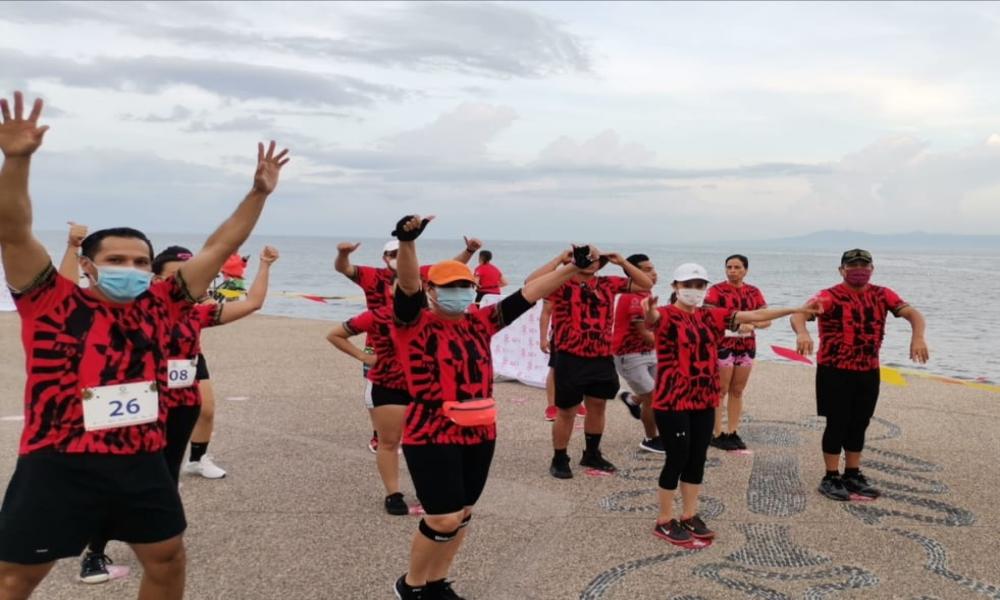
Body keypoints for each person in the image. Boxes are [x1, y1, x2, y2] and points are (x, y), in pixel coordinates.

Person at [0, 90, 290, 600]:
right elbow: (13, 230)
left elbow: (220, 246)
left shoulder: (165, 302)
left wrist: (258, 194)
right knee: (16, 576)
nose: (131, 269)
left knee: (168, 558)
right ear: (88, 266)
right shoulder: (50, 301)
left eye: (140, 261)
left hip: (140, 457)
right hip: (58, 459)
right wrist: (17, 162)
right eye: (116, 260)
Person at [389, 215, 586, 600]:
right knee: (442, 516)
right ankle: (409, 585)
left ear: (475, 288)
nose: (458, 292)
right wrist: (407, 243)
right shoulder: (413, 324)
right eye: (449, 287)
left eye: (465, 285)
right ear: (432, 291)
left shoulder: (481, 321)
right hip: (431, 431)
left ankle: (436, 583)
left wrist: (572, 268)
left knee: (462, 513)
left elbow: (528, 294)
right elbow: (408, 286)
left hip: (480, 430)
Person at [72, 245, 279, 583]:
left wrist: (266, 265)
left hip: (182, 407)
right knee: (120, 479)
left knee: (166, 479)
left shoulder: (196, 314)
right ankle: (94, 552)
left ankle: (156, 542)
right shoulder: (129, 312)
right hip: (138, 408)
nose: (188, 285)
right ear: (156, 279)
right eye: (176, 279)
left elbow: (253, 303)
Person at [643, 263, 819, 546]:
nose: (694, 290)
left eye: (700, 285)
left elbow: (757, 314)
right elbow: (651, 318)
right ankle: (664, 520)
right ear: (675, 286)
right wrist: (648, 309)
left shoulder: (711, 316)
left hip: (704, 398)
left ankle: (689, 514)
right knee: (677, 458)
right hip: (672, 400)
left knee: (697, 458)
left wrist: (795, 310)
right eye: (689, 284)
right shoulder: (665, 314)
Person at [790, 249, 928, 502]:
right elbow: (800, 313)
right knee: (837, 422)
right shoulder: (830, 296)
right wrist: (802, 332)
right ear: (841, 270)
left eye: (863, 265)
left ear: (872, 269)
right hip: (835, 369)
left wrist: (917, 336)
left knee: (860, 422)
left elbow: (913, 314)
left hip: (868, 369)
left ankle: (852, 473)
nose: (858, 269)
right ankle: (831, 476)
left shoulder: (882, 294)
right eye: (852, 265)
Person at [335, 235, 483, 453]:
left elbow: (452, 268)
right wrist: (343, 254)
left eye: (401, 253)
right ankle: (380, 434)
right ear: (385, 258)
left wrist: (469, 251)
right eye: (393, 254)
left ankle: (410, 432)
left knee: (418, 389)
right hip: (379, 345)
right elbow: (344, 268)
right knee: (375, 392)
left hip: (417, 344)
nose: (398, 258)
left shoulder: (421, 274)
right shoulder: (371, 275)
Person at [527, 246, 654, 479]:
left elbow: (645, 284)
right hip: (570, 356)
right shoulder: (560, 284)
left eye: (598, 259)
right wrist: (559, 259)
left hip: (601, 356)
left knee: (598, 406)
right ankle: (559, 457)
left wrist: (623, 262)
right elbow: (530, 284)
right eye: (588, 258)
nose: (593, 262)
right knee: (566, 411)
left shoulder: (608, 283)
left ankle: (592, 453)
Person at [326, 304, 415, 516]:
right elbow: (334, 335)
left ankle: (428, 488)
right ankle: (393, 494)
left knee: (425, 441)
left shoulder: (432, 316)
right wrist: (364, 357)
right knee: (389, 441)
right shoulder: (377, 316)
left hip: (424, 386)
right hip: (387, 385)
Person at [705, 254, 770, 451]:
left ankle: (732, 431)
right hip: (723, 345)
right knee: (720, 390)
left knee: (738, 390)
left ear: (745, 270)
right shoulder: (716, 290)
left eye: (737, 267)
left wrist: (752, 324)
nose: (732, 270)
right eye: (729, 267)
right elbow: (707, 317)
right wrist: (736, 325)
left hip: (747, 346)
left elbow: (767, 319)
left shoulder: (754, 291)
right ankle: (716, 433)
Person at [612, 254, 663, 454]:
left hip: (649, 352)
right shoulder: (632, 298)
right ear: (633, 273)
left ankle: (633, 400)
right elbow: (643, 332)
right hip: (629, 355)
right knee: (652, 396)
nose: (654, 273)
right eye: (647, 270)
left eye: (653, 268)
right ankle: (650, 439)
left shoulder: (647, 295)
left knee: (661, 390)